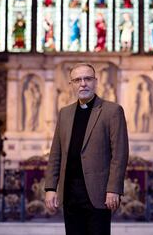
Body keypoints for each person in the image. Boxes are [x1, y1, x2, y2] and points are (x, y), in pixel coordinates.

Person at [45, 63, 129, 235]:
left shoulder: (112, 111)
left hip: (98, 193)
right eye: (77, 80)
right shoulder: (65, 113)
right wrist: (50, 188)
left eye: (87, 79)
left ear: (95, 82)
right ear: (72, 85)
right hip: (70, 194)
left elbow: (119, 154)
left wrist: (113, 189)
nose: (83, 83)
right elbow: (56, 154)